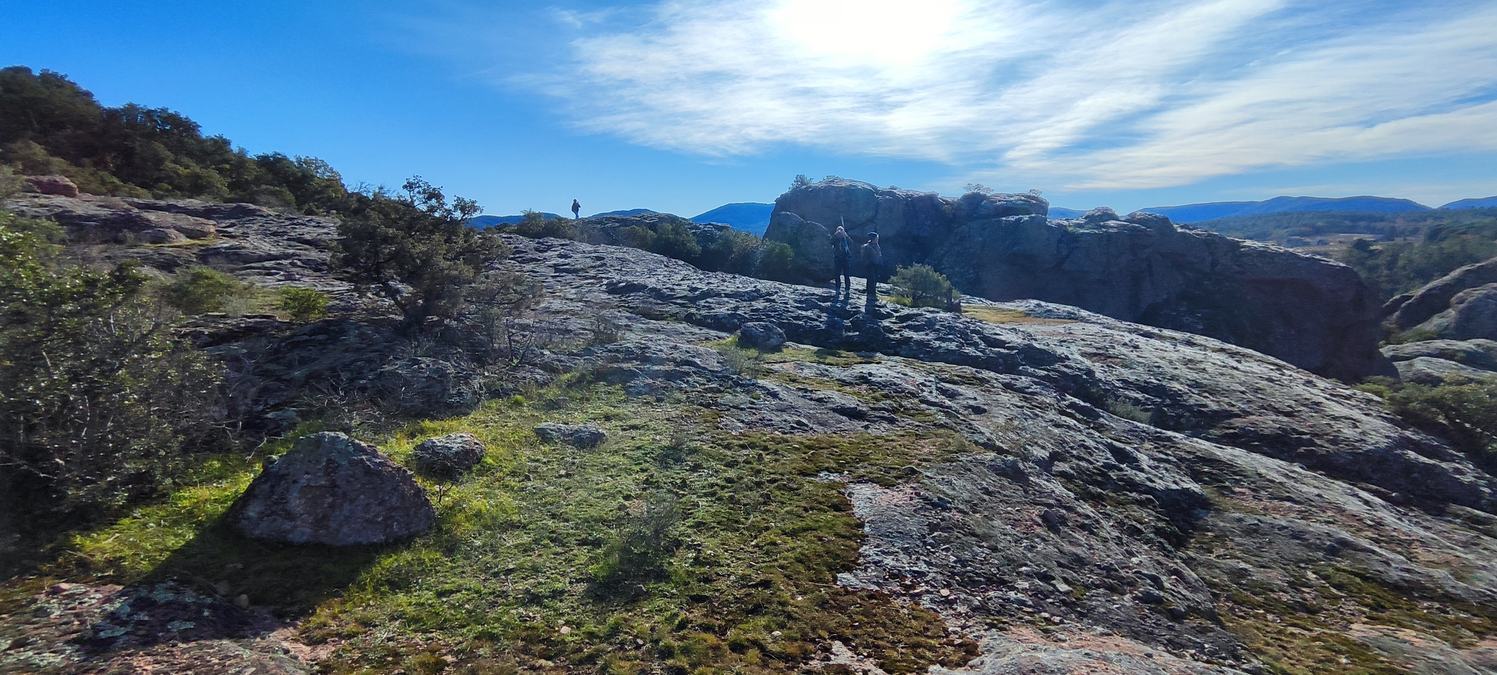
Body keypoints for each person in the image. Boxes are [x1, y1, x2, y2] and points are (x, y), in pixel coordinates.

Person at [860, 231, 883, 306]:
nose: (877, 239)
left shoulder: (877, 245)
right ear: (873, 238)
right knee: (871, 279)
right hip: (870, 265)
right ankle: (870, 294)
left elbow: (879, 256)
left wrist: (880, 263)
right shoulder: (867, 246)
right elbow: (865, 257)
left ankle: (873, 293)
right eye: (876, 238)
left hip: (876, 265)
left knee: (875, 279)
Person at [830, 224, 853, 296]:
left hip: (845, 259)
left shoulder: (845, 239)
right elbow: (830, 242)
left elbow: (851, 243)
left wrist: (845, 235)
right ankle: (837, 289)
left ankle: (847, 289)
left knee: (846, 274)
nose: (840, 232)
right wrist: (835, 235)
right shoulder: (835, 239)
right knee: (837, 274)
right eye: (838, 230)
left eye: (841, 230)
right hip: (837, 259)